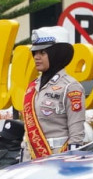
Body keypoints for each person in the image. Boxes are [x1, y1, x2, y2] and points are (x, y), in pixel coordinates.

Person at [22, 26, 85, 159]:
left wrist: (73, 160)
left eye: (43, 53)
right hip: (30, 158)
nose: (36, 57)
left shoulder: (71, 87)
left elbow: (76, 132)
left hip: (57, 158)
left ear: (57, 54)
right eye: (35, 53)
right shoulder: (32, 86)